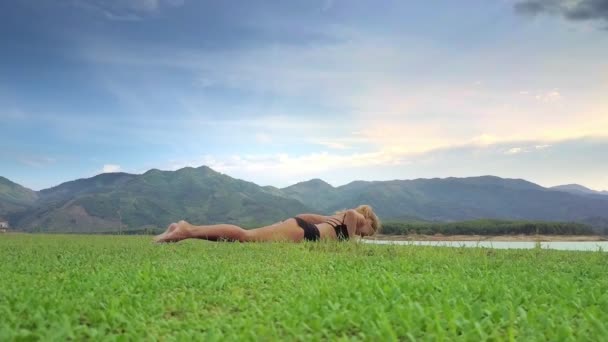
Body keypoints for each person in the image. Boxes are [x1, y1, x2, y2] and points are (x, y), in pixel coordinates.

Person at [154, 204, 380, 243]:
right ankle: (187, 229)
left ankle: (186, 229)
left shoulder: (336, 220)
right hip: (305, 234)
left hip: (302, 229)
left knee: (246, 236)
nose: (365, 236)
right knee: (245, 236)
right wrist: (350, 241)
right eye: (369, 232)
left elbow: (311, 217)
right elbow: (352, 213)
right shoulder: (355, 217)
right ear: (369, 220)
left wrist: (288, 222)